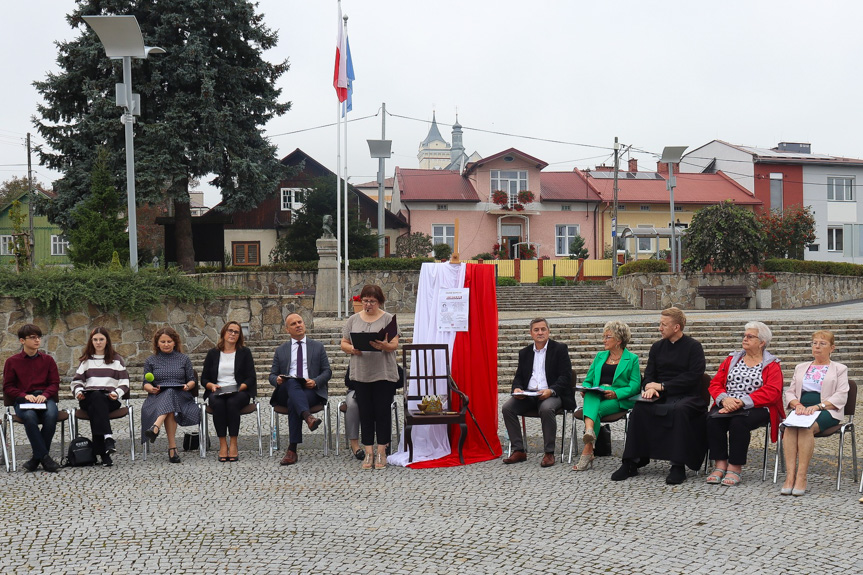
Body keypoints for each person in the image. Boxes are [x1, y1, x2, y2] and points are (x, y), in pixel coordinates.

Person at [611, 307, 707, 484]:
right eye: (660, 324)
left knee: (679, 411)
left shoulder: (694, 347)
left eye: (664, 325)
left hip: (687, 395)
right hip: (660, 394)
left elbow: (694, 376)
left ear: (676, 327)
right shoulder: (657, 347)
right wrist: (649, 386)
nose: (660, 328)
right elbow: (649, 373)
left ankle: (678, 465)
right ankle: (630, 462)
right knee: (640, 408)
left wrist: (663, 386)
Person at [705, 322, 784, 486]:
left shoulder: (772, 364)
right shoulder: (732, 359)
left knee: (738, 422)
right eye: (744, 335)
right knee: (712, 420)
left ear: (762, 342)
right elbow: (715, 383)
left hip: (757, 407)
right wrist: (724, 399)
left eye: (750, 336)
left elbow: (772, 391)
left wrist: (742, 402)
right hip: (728, 402)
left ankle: (735, 467)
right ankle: (720, 464)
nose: (745, 339)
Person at [781, 330, 848, 496]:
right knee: (789, 428)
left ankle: (801, 477)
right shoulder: (801, 367)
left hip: (827, 409)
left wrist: (818, 406)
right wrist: (796, 404)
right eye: (815, 343)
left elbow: (841, 394)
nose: (817, 346)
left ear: (832, 348)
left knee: (806, 428)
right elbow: (790, 391)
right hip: (801, 408)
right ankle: (790, 476)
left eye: (822, 344)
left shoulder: (840, 369)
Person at [501, 318, 575, 468]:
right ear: (531, 333)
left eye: (543, 329)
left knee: (546, 408)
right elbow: (519, 377)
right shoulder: (525, 353)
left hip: (553, 393)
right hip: (529, 394)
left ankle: (549, 453)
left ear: (548, 331)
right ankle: (518, 450)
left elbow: (566, 376)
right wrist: (517, 389)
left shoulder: (560, 349)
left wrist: (551, 390)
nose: (540, 332)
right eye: (536, 330)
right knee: (507, 408)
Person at [340, 284, 400, 470]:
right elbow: (344, 342)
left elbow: (395, 344)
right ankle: (369, 451)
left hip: (383, 373)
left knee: (382, 412)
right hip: (361, 373)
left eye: (372, 301)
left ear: (379, 302)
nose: (368, 304)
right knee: (365, 413)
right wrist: (351, 349)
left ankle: (381, 450)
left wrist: (384, 345)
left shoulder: (389, 319)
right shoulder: (353, 320)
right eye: (365, 300)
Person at [572, 320, 640, 471]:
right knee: (590, 395)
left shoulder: (632, 359)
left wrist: (616, 392)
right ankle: (589, 432)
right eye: (604, 337)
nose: (604, 340)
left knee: (595, 410)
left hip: (618, 398)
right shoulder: (600, 356)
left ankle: (587, 450)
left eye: (607, 337)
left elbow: (635, 386)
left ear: (619, 340)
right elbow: (589, 380)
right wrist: (586, 388)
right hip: (597, 394)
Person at [269, 313, 331, 466]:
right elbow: (272, 375)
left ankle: (292, 449)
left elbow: (327, 371)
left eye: (300, 322)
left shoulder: (318, 347)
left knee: (293, 401)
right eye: (293, 324)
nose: (298, 325)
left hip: (310, 390)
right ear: (287, 329)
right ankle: (308, 417)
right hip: (286, 389)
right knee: (291, 382)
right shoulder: (281, 350)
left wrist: (315, 381)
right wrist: (276, 379)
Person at [2, 324, 61, 472]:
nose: (37, 340)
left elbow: (54, 383)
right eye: (33, 337)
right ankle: (45, 459)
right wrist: (24, 395)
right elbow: (8, 387)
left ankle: (36, 458)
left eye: (39, 337)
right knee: (29, 417)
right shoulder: (12, 362)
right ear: (22, 341)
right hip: (24, 400)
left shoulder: (48, 360)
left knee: (52, 414)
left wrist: (45, 395)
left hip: (44, 398)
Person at [71, 327, 131, 467]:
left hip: (110, 399)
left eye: (101, 339)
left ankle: (103, 454)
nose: (98, 342)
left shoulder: (116, 360)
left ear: (107, 341)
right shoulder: (85, 360)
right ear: (91, 341)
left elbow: (124, 382)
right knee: (96, 397)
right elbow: (76, 382)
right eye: (95, 340)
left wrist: (116, 393)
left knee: (96, 406)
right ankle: (108, 438)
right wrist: (79, 392)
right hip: (88, 398)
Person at [141, 327, 200, 463]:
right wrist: (151, 389)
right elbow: (145, 383)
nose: (166, 344)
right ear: (157, 343)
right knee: (169, 398)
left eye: (169, 341)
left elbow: (192, 380)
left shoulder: (184, 359)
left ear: (175, 343)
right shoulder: (151, 360)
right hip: (157, 396)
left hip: (182, 396)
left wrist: (187, 386)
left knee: (172, 393)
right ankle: (172, 448)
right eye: (163, 341)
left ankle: (156, 427)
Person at [202, 321, 256, 462]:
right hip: (218, 390)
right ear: (223, 333)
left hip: (239, 391)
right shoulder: (213, 353)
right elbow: (204, 378)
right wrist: (211, 386)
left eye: (236, 332)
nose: (232, 334)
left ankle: (233, 443)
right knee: (218, 404)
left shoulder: (245, 353)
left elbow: (251, 377)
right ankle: (222, 444)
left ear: (240, 335)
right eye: (230, 331)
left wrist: (239, 388)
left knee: (232, 402)